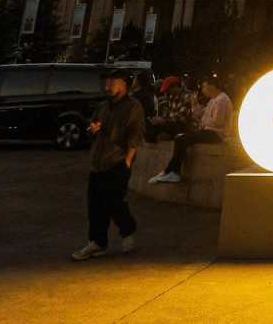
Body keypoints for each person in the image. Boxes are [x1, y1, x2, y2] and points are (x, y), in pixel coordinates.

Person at [72, 69, 145, 260]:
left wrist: (127, 161)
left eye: (113, 83)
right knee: (95, 204)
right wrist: (92, 130)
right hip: (98, 162)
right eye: (107, 83)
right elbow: (91, 128)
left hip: (116, 161)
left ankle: (128, 229)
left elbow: (135, 134)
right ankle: (97, 243)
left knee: (114, 202)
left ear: (124, 84)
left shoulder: (133, 106)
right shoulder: (103, 106)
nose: (109, 86)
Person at [149, 75, 232, 184]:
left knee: (181, 140)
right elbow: (199, 114)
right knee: (180, 139)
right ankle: (170, 172)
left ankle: (171, 172)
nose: (202, 90)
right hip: (208, 130)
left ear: (212, 86)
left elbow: (218, 121)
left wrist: (203, 121)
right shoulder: (213, 100)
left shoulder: (222, 100)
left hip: (216, 133)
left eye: (204, 87)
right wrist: (194, 103)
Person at [150, 76, 193, 140]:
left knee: (167, 126)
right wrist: (160, 118)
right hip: (172, 123)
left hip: (184, 125)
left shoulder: (187, 96)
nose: (167, 92)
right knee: (153, 126)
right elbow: (169, 114)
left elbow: (182, 117)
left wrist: (164, 120)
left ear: (175, 86)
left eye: (168, 89)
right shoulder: (172, 97)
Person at [130, 71, 157, 142]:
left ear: (137, 82)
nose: (133, 82)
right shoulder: (148, 93)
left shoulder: (138, 96)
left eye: (134, 80)